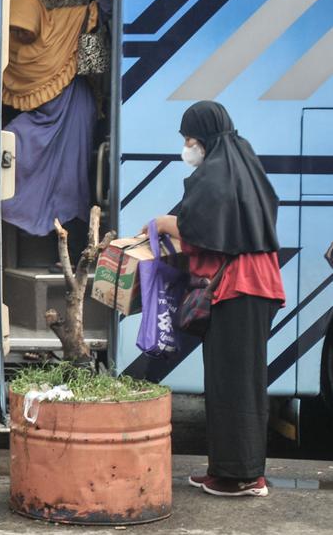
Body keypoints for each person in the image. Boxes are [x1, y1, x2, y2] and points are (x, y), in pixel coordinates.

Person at [149, 101, 285, 498]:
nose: (187, 146)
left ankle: (239, 477)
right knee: (237, 381)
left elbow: (198, 227)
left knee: (234, 384)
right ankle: (230, 470)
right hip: (256, 287)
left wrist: (161, 223)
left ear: (203, 136)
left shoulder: (215, 174)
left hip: (239, 290)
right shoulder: (244, 165)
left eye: (189, 138)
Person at [1, 0, 99, 238]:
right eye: (14, 29)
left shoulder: (66, 24)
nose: (19, 35)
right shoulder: (10, 47)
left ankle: (74, 249)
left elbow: (100, 11)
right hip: (44, 118)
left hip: (74, 109)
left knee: (71, 182)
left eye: (24, 27)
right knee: (10, 143)